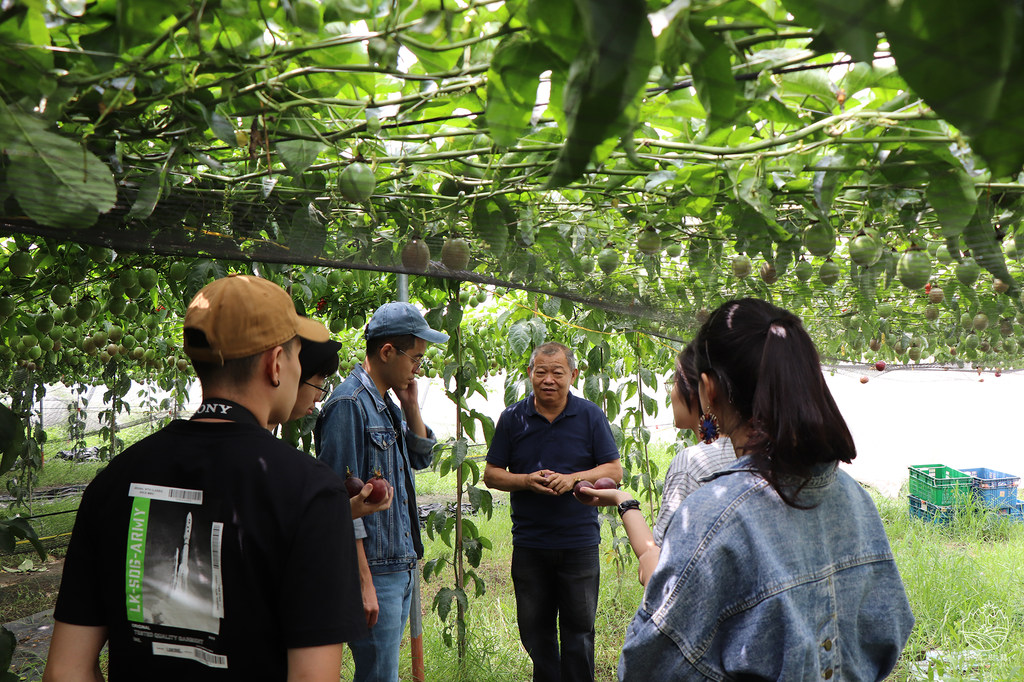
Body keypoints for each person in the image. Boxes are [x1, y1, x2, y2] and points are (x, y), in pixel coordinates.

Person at [44, 274, 369, 682]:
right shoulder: (311, 491)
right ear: (275, 364)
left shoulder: (115, 480)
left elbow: (65, 670)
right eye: (299, 355)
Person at [578, 299, 914, 681]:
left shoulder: (713, 515)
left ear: (708, 390)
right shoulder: (854, 499)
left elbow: (647, 668)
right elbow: (890, 628)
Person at [315, 301, 448, 682]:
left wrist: (410, 408)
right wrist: (362, 581)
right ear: (387, 351)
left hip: (399, 563)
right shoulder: (349, 404)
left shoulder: (385, 403)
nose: (418, 368)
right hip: (375, 567)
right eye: (415, 358)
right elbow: (340, 501)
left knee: (383, 673)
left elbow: (420, 461)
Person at [483, 341, 623, 682]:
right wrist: (526, 480)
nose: (549, 379)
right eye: (541, 371)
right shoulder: (513, 418)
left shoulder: (590, 415)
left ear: (573, 375)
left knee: (579, 632)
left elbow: (614, 470)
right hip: (531, 543)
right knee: (535, 633)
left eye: (557, 372)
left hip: (579, 542)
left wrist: (574, 478)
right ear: (530, 374)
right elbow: (491, 474)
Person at [652, 344, 735, 547]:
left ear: (702, 389)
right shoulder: (750, 449)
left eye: (673, 382)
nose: (671, 392)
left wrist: (625, 504)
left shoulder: (690, 464)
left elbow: (662, 552)